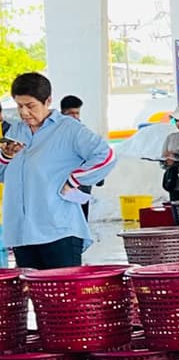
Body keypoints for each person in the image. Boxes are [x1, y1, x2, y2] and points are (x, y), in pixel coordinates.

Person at [0, 72, 115, 268]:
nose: (24, 113)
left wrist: (74, 180)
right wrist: (6, 157)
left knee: (62, 287)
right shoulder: (16, 131)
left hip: (58, 230)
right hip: (22, 234)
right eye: (19, 106)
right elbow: (6, 175)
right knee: (33, 287)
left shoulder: (69, 129)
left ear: (48, 101)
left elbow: (106, 156)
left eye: (30, 106)